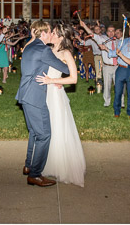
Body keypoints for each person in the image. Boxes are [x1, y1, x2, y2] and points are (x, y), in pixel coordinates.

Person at [16, 20, 69, 187]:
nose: (50, 35)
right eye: (49, 32)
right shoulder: (44, 49)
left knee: (34, 132)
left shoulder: (29, 46)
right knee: (44, 135)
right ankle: (35, 174)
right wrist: (66, 60)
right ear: (44, 33)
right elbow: (65, 69)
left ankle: (28, 166)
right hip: (35, 97)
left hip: (25, 95)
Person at [36, 22, 86, 187]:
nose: (50, 34)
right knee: (45, 129)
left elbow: (73, 78)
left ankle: (60, 166)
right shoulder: (47, 50)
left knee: (56, 127)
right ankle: (45, 163)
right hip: (43, 93)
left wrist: (54, 81)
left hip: (55, 95)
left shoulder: (66, 53)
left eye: (53, 32)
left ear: (60, 37)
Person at [109, 23, 130, 119]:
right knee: (118, 91)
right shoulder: (123, 41)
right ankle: (116, 111)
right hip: (121, 68)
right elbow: (116, 52)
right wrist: (106, 50)